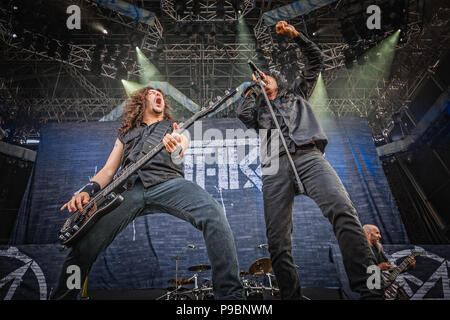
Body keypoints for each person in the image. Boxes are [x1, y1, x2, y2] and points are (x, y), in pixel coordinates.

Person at [237, 21, 383, 299]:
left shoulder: (296, 94)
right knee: (278, 242)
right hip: (273, 165)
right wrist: (252, 90)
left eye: (266, 77)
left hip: (308, 155)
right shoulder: (258, 110)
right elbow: (243, 115)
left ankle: (370, 290)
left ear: (277, 80)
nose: (263, 78)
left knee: (342, 210)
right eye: (260, 79)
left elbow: (316, 60)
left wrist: (296, 36)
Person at [53, 86, 244, 300]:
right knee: (84, 247)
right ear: (141, 102)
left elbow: (181, 148)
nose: (158, 94)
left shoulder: (173, 127)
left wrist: (176, 148)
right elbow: (108, 171)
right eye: (151, 93)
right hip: (127, 190)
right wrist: (87, 191)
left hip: (167, 182)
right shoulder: (125, 134)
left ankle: (231, 297)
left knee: (214, 214)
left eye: (160, 93)